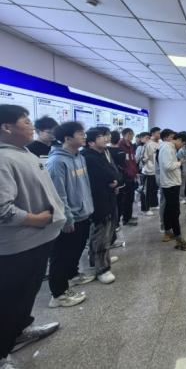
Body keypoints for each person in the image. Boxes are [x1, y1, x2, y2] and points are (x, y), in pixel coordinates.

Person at [0, 105, 65, 369]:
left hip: (38, 239)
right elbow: (2, 209)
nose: (32, 127)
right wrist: (36, 219)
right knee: (10, 298)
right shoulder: (2, 159)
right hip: (18, 244)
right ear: (7, 127)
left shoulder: (23, 152)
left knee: (27, 293)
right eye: (26, 122)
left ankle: (20, 330)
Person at [47, 121, 94, 308]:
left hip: (83, 213)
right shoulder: (57, 162)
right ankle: (58, 294)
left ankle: (72, 275)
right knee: (62, 255)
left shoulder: (79, 157)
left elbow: (85, 186)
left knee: (76, 250)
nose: (84, 136)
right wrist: (67, 218)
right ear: (67, 138)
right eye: (80, 133)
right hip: (69, 217)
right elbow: (58, 194)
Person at [81, 128, 120, 284]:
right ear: (91, 142)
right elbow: (108, 175)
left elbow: (115, 174)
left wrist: (116, 181)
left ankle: (101, 260)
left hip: (108, 198)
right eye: (100, 136)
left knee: (106, 233)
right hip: (98, 201)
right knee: (100, 235)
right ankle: (101, 269)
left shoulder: (102, 154)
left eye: (105, 135)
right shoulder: (88, 157)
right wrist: (113, 180)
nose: (105, 138)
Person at [159, 131, 186, 251]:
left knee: (169, 209)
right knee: (174, 211)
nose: (181, 146)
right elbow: (168, 166)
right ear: (178, 140)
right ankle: (179, 239)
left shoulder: (169, 147)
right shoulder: (168, 148)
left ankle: (168, 232)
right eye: (182, 144)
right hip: (170, 184)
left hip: (171, 182)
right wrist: (179, 163)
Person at [117, 128, 138, 227]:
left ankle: (129, 216)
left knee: (130, 198)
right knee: (126, 199)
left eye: (132, 134)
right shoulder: (120, 145)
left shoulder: (130, 145)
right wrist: (127, 172)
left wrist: (135, 172)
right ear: (124, 134)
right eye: (130, 134)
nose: (132, 136)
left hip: (132, 175)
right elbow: (122, 163)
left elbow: (132, 160)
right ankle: (125, 219)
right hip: (125, 176)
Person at [156, 129, 176, 234]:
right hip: (163, 180)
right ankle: (163, 225)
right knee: (164, 202)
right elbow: (165, 166)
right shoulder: (163, 149)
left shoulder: (167, 147)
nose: (174, 140)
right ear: (165, 138)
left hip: (168, 179)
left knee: (168, 203)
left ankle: (168, 224)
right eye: (172, 137)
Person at [141, 127, 161, 214]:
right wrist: (147, 162)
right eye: (158, 133)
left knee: (154, 189)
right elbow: (143, 158)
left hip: (156, 171)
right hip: (148, 171)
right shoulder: (148, 144)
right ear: (152, 134)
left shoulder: (160, 143)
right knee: (147, 191)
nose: (159, 135)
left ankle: (153, 204)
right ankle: (145, 209)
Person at [177, 132, 186, 205]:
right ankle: (181, 198)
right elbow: (180, 161)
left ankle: (184, 196)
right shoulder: (180, 150)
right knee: (182, 185)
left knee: (185, 184)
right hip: (183, 170)